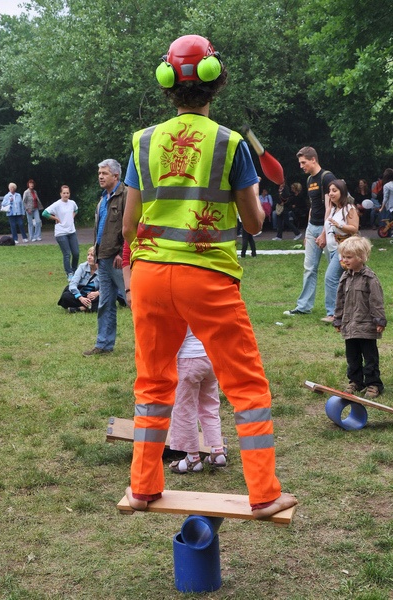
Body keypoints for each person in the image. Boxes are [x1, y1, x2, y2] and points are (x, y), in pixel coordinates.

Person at [122, 34, 297, 518]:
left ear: (166, 81)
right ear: (214, 79)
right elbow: (255, 224)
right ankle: (264, 494)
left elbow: (129, 224)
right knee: (245, 386)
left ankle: (143, 486)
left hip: (152, 272)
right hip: (208, 276)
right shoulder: (231, 143)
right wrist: (257, 194)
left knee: (153, 382)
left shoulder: (142, 141)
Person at [83, 159, 127, 356]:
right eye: (99, 173)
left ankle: (149, 346)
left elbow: (133, 226)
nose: (100, 176)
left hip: (119, 259)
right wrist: (96, 251)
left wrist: (123, 252)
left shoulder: (126, 195)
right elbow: (101, 229)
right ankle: (103, 344)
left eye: (105, 173)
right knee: (105, 302)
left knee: (133, 300)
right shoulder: (103, 199)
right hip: (104, 258)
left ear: (116, 176)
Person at [283, 147, 335, 315]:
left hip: (327, 228)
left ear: (313, 160)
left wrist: (324, 233)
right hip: (312, 228)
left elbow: (330, 208)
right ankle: (303, 307)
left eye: (303, 162)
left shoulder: (327, 178)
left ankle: (333, 311)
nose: (301, 166)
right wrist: (308, 232)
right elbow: (312, 206)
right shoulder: (308, 180)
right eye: (300, 163)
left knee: (332, 271)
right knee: (309, 268)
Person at [333, 237, 386, 399]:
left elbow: (377, 301)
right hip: (350, 325)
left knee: (370, 357)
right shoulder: (345, 277)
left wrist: (379, 319)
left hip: (366, 325)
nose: (344, 260)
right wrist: (338, 319)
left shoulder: (370, 278)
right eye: (343, 256)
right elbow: (340, 299)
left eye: (349, 257)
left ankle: (373, 384)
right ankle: (356, 381)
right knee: (352, 356)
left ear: (361, 257)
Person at [168, 327, 226, 473]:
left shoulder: (178, 304)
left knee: (184, 409)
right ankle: (217, 451)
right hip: (210, 357)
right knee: (210, 406)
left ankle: (192, 459)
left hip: (188, 358)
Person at [322, 180, 359, 323]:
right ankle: (347, 311)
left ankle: (333, 314)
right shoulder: (333, 209)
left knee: (330, 278)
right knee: (346, 281)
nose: (331, 193)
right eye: (330, 190)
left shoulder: (349, 208)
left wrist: (340, 226)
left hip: (343, 251)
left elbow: (354, 228)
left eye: (334, 190)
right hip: (332, 250)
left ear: (342, 192)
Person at [42, 185, 79, 280]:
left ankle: (74, 270)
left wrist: (72, 216)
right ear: (60, 194)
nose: (66, 195)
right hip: (61, 232)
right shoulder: (57, 204)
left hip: (71, 231)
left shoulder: (72, 203)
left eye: (67, 193)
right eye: (64, 193)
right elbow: (44, 213)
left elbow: (76, 209)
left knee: (76, 253)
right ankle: (69, 273)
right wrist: (55, 218)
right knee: (67, 254)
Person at [57, 246, 99, 313]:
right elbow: (73, 284)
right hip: (80, 294)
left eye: (92, 255)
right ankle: (89, 307)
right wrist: (81, 298)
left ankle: (80, 309)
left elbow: (108, 286)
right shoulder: (82, 266)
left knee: (107, 299)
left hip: (93, 296)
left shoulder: (104, 270)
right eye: (88, 255)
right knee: (66, 296)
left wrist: (97, 293)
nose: (89, 257)